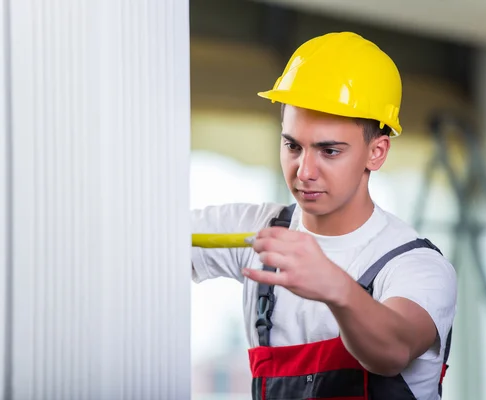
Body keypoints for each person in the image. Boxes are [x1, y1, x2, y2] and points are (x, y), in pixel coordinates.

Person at [191, 31, 458, 400]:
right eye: (292, 146)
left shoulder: (416, 266)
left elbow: (393, 351)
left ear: (376, 153)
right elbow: (139, 240)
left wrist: (335, 287)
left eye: (329, 151)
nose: (304, 171)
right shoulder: (257, 232)